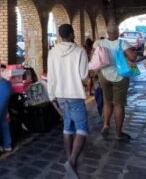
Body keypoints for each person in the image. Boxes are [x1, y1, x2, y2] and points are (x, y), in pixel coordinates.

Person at [47, 24, 89, 179]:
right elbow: (84, 75)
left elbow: (51, 76)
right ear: (72, 34)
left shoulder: (53, 52)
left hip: (60, 95)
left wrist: (52, 97)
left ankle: (69, 158)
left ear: (60, 36)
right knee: (81, 129)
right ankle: (72, 161)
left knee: (67, 127)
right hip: (75, 94)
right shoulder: (80, 51)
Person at [93, 25, 137, 141]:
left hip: (104, 75)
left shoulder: (99, 43)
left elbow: (93, 58)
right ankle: (119, 133)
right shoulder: (122, 43)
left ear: (107, 32)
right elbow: (132, 57)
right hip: (120, 76)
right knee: (119, 105)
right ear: (117, 32)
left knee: (107, 102)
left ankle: (106, 125)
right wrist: (130, 57)